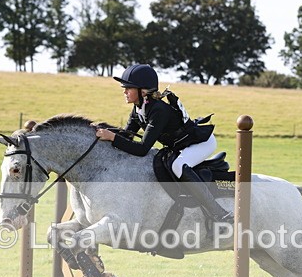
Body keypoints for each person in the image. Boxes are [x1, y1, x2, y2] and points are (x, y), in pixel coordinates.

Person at [94, 63, 233, 224]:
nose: (124, 91)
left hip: (201, 143)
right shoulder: (138, 109)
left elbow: (142, 149)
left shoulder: (158, 110)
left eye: (128, 88)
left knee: (178, 166)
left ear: (143, 91)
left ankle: (218, 212)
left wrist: (112, 137)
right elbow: (126, 136)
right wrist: (100, 131)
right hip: (181, 145)